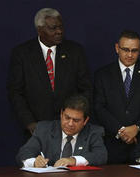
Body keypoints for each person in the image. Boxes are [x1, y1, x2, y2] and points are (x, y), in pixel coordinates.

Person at [7, 8, 92, 138]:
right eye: (53, 28)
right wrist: (29, 122)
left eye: (61, 27)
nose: (59, 31)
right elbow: (15, 92)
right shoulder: (22, 54)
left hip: (71, 129)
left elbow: (86, 88)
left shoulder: (75, 51)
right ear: (39, 30)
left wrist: (76, 119)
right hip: (36, 129)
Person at [93, 30, 140, 163]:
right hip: (112, 144)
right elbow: (99, 107)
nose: (130, 55)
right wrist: (121, 131)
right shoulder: (102, 75)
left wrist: (137, 128)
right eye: (126, 50)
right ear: (116, 48)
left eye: (134, 50)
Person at [16, 95, 107, 167]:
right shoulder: (44, 129)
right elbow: (23, 153)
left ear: (85, 121)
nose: (70, 123)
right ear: (61, 114)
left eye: (76, 120)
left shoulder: (93, 132)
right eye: (67, 118)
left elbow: (101, 156)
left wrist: (73, 160)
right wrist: (34, 162)